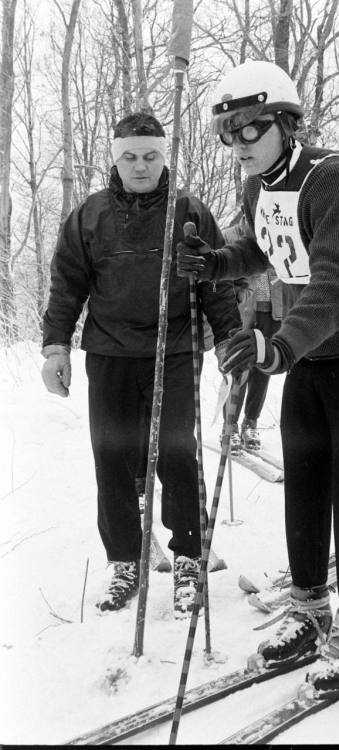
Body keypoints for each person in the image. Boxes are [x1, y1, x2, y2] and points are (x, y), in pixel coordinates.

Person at [177, 60, 339, 693]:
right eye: (227, 133)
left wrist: (276, 346)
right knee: (303, 487)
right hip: (311, 356)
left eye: (248, 130)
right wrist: (218, 263)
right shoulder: (260, 187)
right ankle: (309, 611)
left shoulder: (335, 179)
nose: (236, 145)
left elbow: (337, 279)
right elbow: (269, 247)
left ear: (285, 122)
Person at [41, 112, 241, 616]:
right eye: (130, 156)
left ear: (163, 156)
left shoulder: (189, 212)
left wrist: (231, 344)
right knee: (113, 457)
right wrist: (56, 347)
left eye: (150, 155)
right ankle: (125, 559)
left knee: (176, 452)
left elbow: (216, 280)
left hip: (173, 352)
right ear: (115, 159)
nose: (141, 166)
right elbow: (67, 284)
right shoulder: (90, 216)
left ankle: (189, 556)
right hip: (109, 354)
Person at [222, 216, 283, 453]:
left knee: (264, 364)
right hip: (242, 309)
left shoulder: (275, 232)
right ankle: (230, 425)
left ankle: (251, 421)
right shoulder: (230, 236)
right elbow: (220, 276)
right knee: (239, 363)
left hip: (271, 310)